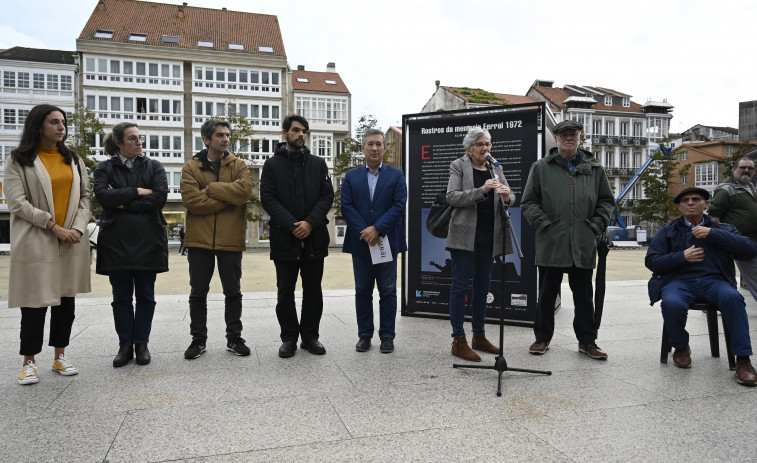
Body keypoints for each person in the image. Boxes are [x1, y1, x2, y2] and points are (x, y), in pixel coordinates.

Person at [4, 104, 91, 385]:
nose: (61, 126)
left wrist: (76, 228)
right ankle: (29, 362)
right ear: (38, 125)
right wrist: (53, 226)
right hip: (37, 239)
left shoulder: (74, 159)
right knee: (35, 303)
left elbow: (85, 198)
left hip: (71, 240)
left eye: (63, 122)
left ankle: (60, 356)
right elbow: (17, 202)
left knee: (66, 301)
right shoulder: (19, 159)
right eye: (54, 122)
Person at [645, 187, 757, 386]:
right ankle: (680, 347)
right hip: (678, 282)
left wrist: (713, 234)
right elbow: (652, 261)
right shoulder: (668, 230)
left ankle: (743, 359)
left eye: (696, 199)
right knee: (671, 303)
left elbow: (749, 249)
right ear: (680, 207)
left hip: (715, 282)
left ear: (705, 205)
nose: (690, 203)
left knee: (733, 298)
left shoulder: (721, 229)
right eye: (685, 200)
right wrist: (682, 256)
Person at [521, 120, 614, 359]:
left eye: (573, 134)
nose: (569, 138)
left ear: (580, 138)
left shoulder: (595, 168)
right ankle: (541, 339)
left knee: (584, 296)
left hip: (582, 243)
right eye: (563, 135)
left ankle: (587, 341)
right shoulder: (541, 167)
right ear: (557, 139)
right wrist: (544, 225)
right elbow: (529, 202)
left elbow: (606, 201)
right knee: (546, 295)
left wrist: (595, 226)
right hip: (551, 242)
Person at [94, 122, 168, 367]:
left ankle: (141, 343)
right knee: (121, 298)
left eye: (140, 138)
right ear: (119, 143)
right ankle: (124, 345)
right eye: (133, 138)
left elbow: (159, 198)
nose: (139, 142)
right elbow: (103, 196)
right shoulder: (104, 168)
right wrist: (137, 190)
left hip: (148, 240)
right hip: (116, 241)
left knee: (146, 296)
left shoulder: (154, 166)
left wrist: (123, 200)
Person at [260, 115, 334, 358]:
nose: (301, 134)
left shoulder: (318, 163)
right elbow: (268, 199)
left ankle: (310, 337)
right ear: (285, 133)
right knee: (285, 292)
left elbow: (327, 197)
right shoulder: (271, 166)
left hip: (314, 238)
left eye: (304, 131)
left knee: (313, 291)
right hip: (285, 238)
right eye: (296, 130)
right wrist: (293, 225)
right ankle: (289, 338)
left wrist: (310, 223)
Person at [180, 119, 252, 359]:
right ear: (207, 139)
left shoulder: (239, 165)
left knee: (233, 292)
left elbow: (243, 193)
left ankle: (234, 338)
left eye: (227, 135)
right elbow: (192, 202)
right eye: (220, 135)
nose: (226, 139)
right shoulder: (191, 167)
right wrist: (228, 195)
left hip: (231, 240)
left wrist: (210, 189)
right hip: (199, 241)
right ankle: (198, 340)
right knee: (198, 293)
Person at [445, 127, 514, 362]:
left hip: (489, 235)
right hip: (464, 235)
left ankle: (479, 336)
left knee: (483, 287)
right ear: (469, 148)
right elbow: (452, 197)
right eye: (480, 145)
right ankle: (459, 340)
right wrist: (481, 191)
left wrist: (506, 196)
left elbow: (511, 197)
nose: (485, 148)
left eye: (488, 144)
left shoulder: (496, 167)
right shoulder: (459, 166)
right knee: (460, 287)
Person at [341, 128, 407, 354]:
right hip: (361, 243)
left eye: (379, 144)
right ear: (363, 149)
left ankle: (387, 336)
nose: (375, 148)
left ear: (385, 149)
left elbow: (399, 205)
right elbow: (346, 206)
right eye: (370, 144)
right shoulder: (351, 176)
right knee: (362, 291)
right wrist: (366, 231)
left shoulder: (397, 175)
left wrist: (377, 229)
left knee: (388, 291)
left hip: (387, 241)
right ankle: (364, 335)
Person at [707, 157, 757, 302]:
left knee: (727, 275)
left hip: (750, 239)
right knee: (750, 275)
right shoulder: (726, 189)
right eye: (742, 167)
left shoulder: (752, 188)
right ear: (734, 169)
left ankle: (721, 303)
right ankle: (719, 303)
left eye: (750, 168)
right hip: (737, 240)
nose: (746, 170)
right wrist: (716, 239)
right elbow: (714, 215)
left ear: (754, 171)